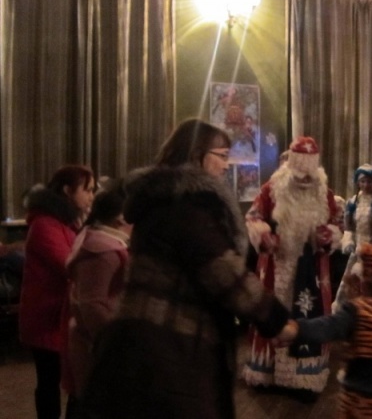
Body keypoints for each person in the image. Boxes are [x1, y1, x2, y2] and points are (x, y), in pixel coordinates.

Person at [80, 118, 290, 419]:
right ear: (197, 155)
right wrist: (275, 318)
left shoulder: (163, 201)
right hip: (171, 345)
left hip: (147, 340)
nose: (226, 165)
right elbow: (224, 272)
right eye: (222, 156)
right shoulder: (187, 206)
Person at [241, 136, 342, 398]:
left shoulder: (325, 194)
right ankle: (266, 371)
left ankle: (304, 376)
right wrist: (263, 235)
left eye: (310, 172)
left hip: (312, 269)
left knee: (308, 316)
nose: (305, 178)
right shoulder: (271, 190)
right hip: (276, 266)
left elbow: (338, 223)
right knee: (271, 313)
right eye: (300, 172)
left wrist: (329, 235)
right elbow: (253, 216)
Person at [279, 240, 372, 418]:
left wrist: (296, 329)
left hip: (358, 403)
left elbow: (327, 326)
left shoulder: (357, 310)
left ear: (363, 284)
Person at [18, 165, 95, 419]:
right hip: (46, 318)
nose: (91, 196)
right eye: (87, 190)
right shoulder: (44, 224)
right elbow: (68, 264)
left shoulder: (67, 221)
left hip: (62, 315)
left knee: (75, 381)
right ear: (67, 190)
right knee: (50, 382)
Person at [62, 178, 131, 414]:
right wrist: (118, 344)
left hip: (97, 348)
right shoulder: (102, 250)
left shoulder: (104, 243)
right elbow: (93, 306)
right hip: (97, 351)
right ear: (121, 217)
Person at [332, 164, 372, 312]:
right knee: (350, 284)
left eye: (369, 181)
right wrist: (348, 241)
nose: (366, 185)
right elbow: (348, 227)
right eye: (363, 181)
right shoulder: (353, 202)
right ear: (358, 182)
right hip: (358, 251)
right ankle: (348, 313)